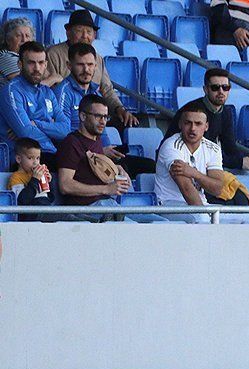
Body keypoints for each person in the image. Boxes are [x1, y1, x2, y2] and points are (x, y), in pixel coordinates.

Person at [54, 43, 155, 178]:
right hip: (77, 156)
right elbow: (64, 134)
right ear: (69, 66)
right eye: (80, 65)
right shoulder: (63, 91)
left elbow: (102, 129)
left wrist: (108, 149)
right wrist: (99, 150)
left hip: (97, 154)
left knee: (150, 166)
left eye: (90, 65)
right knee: (119, 173)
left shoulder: (96, 93)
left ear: (96, 66)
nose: (86, 69)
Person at [57, 95, 162, 223]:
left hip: (108, 205)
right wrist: (106, 189)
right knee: (137, 230)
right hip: (88, 209)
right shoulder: (72, 143)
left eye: (106, 117)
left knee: (159, 222)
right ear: (83, 116)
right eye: (98, 116)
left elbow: (94, 168)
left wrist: (117, 168)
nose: (103, 122)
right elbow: (65, 185)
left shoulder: (97, 140)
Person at [155, 102, 249, 223]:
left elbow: (217, 188)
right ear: (180, 124)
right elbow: (186, 189)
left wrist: (194, 173)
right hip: (169, 204)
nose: (193, 128)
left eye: (198, 124)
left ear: (206, 126)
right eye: (188, 123)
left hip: (202, 204)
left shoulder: (213, 148)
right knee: (202, 218)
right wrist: (206, 214)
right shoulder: (171, 146)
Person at [44, 10, 139, 128]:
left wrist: (120, 109)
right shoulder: (53, 54)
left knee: (128, 122)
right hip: (68, 114)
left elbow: (107, 90)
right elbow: (48, 90)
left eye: (89, 32)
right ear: (68, 33)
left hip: (95, 113)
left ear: (94, 35)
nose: (85, 36)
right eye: (79, 31)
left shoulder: (97, 58)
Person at [163, 69, 249, 174]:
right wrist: (240, 162)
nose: (221, 92)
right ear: (206, 89)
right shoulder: (193, 113)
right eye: (215, 88)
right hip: (182, 163)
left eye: (225, 87)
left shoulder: (226, 112)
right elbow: (203, 153)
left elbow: (230, 147)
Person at [0, 42, 70, 171]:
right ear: (20, 64)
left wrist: (37, 124)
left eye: (41, 63)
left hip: (48, 155)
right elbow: (26, 132)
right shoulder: (11, 91)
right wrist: (51, 134)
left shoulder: (48, 92)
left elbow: (65, 129)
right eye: (31, 63)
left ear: (46, 65)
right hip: (22, 161)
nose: (37, 68)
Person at [0, 18, 35, 85]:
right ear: (8, 40)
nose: (24, 40)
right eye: (18, 36)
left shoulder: (34, 57)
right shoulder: (5, 57)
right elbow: (24, 85)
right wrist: (52, 79)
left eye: (27, 36)